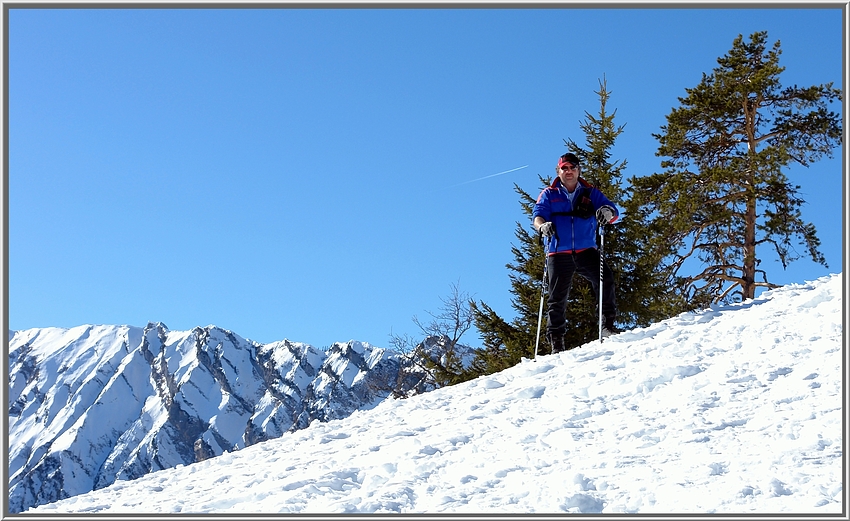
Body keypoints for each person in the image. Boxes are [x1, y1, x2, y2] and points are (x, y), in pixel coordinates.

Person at [532, 152, 619, 353]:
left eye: (572, 168)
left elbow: (612, 210)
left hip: (586, 249)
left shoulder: (590, 192)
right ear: (558, 171)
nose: (569, 172)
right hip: (558, 251)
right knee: (557, 297)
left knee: (605, 279)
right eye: (565, 168)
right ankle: (557, 343)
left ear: (579, 170)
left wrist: (607, 212)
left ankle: (607, 325)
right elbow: (538, 216)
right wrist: (542, 227)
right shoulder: (549, 194)